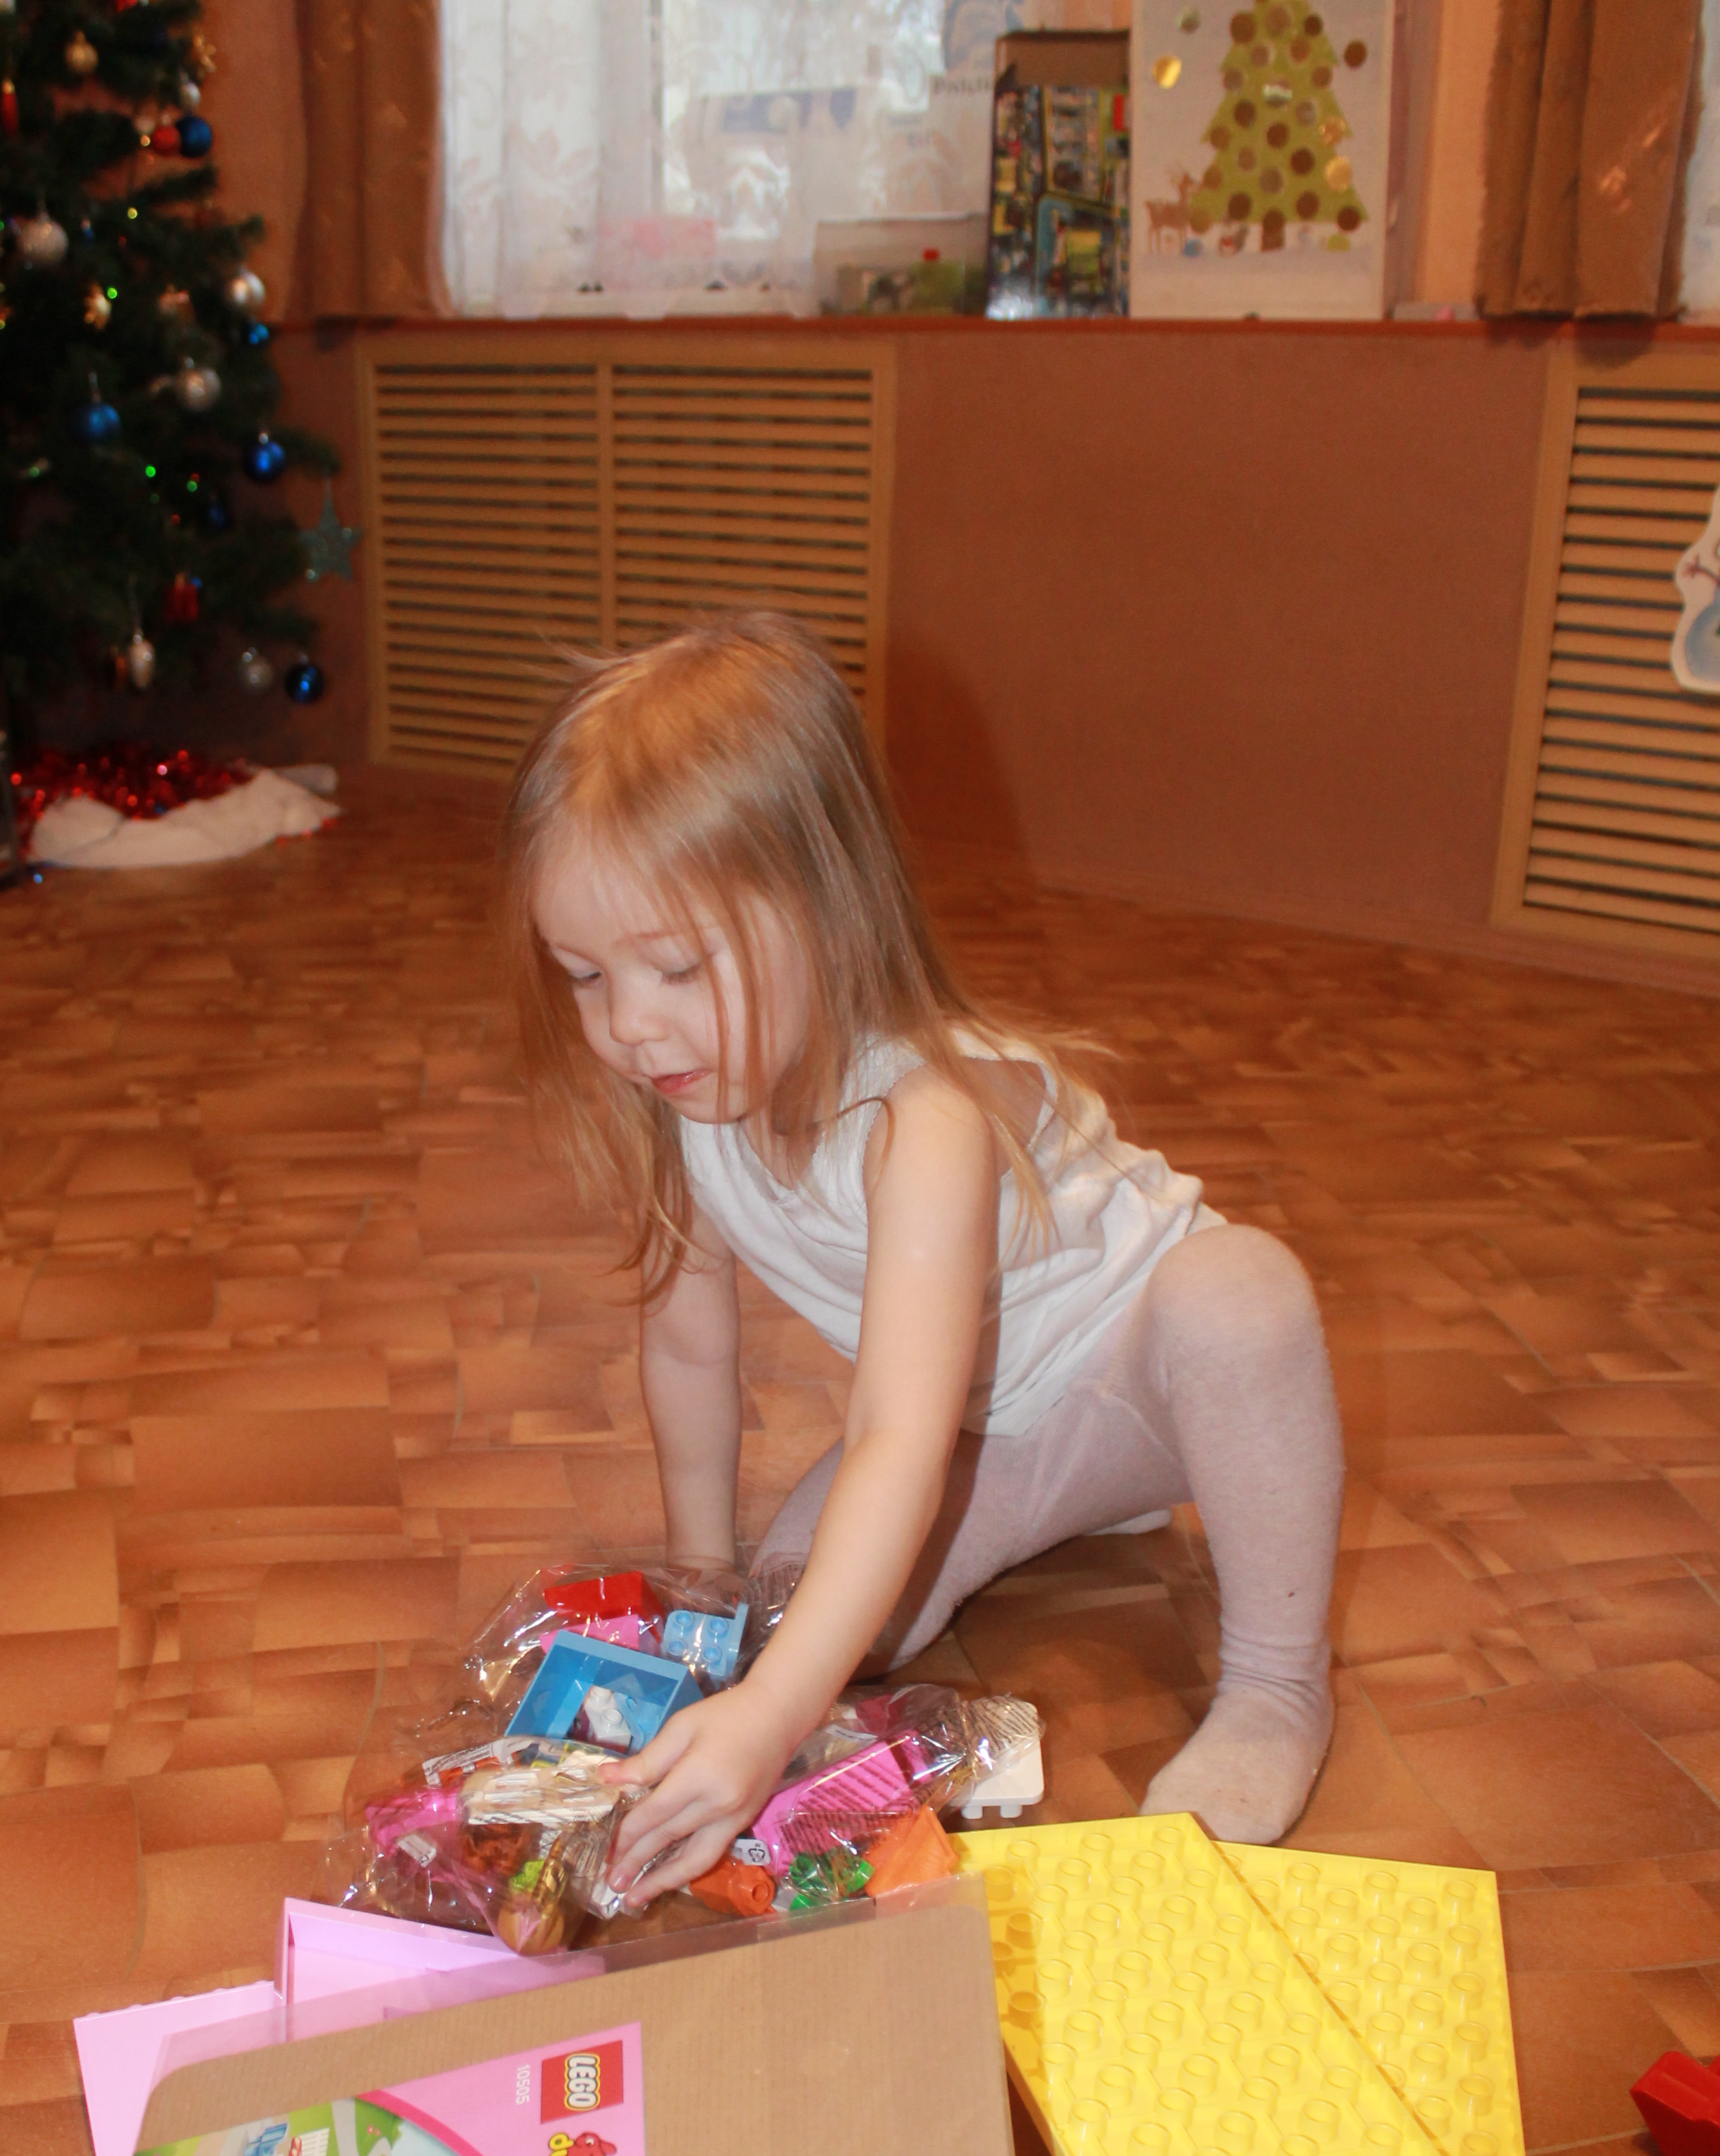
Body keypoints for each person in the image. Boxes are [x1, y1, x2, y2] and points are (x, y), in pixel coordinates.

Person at [499, 613, 1343, 1900]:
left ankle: (1279, 1686)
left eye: (673, 967)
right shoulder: (686, 1092)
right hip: (989, 1422)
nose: (630, 1026)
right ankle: (1083, 1507)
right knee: (803, 1614)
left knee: (1245, 1296)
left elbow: (896, 1432)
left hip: (1149, 1382)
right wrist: (708, 1599)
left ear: (824, 911)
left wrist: (773, 1713)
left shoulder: (925, 1117)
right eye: (583, 976)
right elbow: (687, 1348)